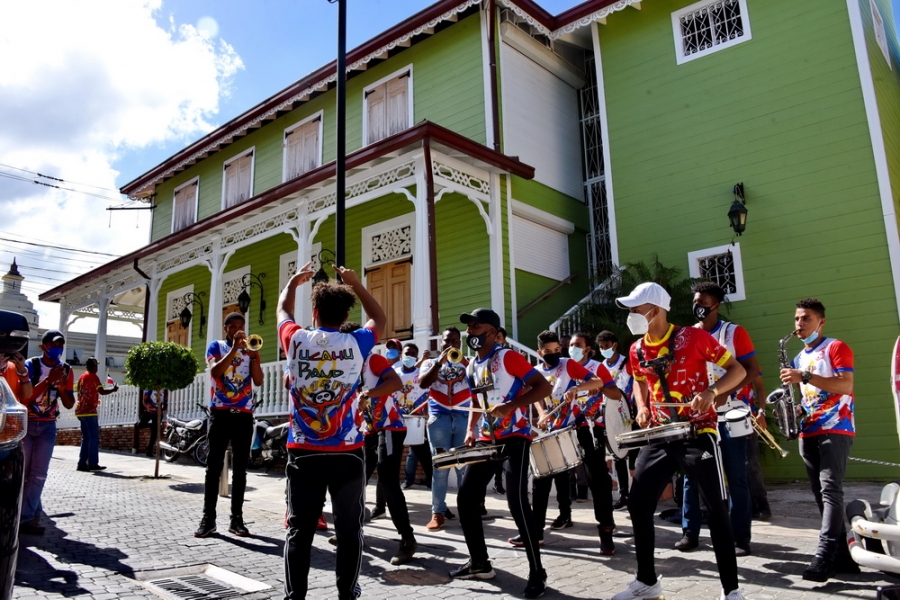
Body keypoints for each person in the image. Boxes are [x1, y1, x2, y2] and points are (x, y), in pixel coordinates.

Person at [604, 282, 746, 600]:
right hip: (660, 435)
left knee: (716, 509)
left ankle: (731, 590)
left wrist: (712, 391)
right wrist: (642, 407)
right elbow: (640, 382)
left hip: (697, 433)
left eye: (636, 309)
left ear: (655, 310)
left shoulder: (693, 337)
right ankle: (647, 582)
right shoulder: (637, 349)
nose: (631, 314)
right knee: (638, 504)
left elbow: (736, 370)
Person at [279, 262, 385, 600]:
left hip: (303, 452)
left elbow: (283, 309)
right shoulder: (357, 342)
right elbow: (379, 319)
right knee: (350, 530)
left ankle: (295, 597)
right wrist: (356, 284)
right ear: (345, 315)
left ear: (314, 312)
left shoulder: (296, 339)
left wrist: (292, 283)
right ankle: (346, 594)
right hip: (348, 453)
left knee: (300, 531)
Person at [449, 308, 552, 599]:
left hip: (515, 437)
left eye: (476, 326)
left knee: (517, 503)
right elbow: (476, 400)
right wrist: (471, 429)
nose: (470, 332)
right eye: (469, 327)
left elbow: (543, 386)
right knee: (466, 499)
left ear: (493, 332)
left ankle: (537, 572)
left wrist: (511, 406)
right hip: (486, 439)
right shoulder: (471, 365)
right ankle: (480, 563)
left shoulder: (507, 357)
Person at [679, 281, 761, 556]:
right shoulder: (687, 335)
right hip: (699, 416)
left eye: (702, 302)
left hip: (731, 413)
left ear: (715, 305)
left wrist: (726, 391)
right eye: (695, 301)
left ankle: (740, 538)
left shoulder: (734, 332)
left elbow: (752, 369)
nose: (697, 306)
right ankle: (690, 532)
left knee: (736, 476)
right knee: (692, 475)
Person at [780, 297, 859, 582]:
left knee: (830, 491)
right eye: (797, 318)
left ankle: (824, 556)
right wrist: (795, 410)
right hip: (809, 429)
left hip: (836, 426)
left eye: (806, 318)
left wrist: (805, 376)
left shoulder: (835, 347)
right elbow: (808, 397)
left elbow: (845, 385)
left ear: (821, 322)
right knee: (820, 493)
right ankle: (843, 558)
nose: (799, 323)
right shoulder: (798, 359)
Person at [527, 330, 621, 555]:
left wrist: (579, 389)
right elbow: (536, 394)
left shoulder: (572, 365)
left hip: (583, 428)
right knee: (541, 479)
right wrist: (542, 413)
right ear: (540, 352)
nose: (554, 353)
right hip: (555, 430)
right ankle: (536, 532)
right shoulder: (538, 371)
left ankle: (606, 531)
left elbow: (603, 385)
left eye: (556, 349)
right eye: (548, 351)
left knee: (597, 479)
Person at [194, 312, 264, 538]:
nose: (237, 330)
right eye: (233, 326)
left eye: (241, 326)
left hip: (244, 414)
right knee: (213, 467)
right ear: (226, 328)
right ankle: (208, 519)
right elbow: (215, 372)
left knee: (240, 469)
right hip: (220, 412)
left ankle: (237, 519)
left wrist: (253, 357)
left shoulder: (250, 349)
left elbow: (258, 380)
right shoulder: (216, 346)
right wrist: (234, 349)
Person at [353, 325, 415, 564]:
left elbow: (396, 383)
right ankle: (351, 530)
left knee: (388, 481)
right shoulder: (351, 365)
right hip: (369, 427)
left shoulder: (374, 360)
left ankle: (407, 539)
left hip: (390, 426)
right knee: (356, 478)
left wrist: (368, 394)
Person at [564, 330, 628, 554]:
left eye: (578, 345)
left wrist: (598, 387)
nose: (573, 348)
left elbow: (615, 394)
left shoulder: (597, 368)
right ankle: (552, 523)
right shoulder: (564, 368)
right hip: (567, 428)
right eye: (571, 345)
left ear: (587, 349)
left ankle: (606, 528)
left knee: (598, 479)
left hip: (593, 429)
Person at [21, 330, 75, 535]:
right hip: (27, 423)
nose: (57, 349)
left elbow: (69, 403)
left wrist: (60, 386)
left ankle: (26, 518)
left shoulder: (66, 370)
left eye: (60, 345)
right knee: (24, 472)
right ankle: (29, 512)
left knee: (39, 474)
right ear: (43, 347)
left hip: (48, 426)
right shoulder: (31, 366)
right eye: (53, 345)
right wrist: (47, 380)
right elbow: (24, 397)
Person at [419, 326, 471, 530]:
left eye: (455, 341)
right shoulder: (430, 363)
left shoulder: (469, 363)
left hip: (463, 417)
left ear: (460, 343)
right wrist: (439, 363)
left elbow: (478, 383)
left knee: (463, 468)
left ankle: (466, 512)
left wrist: (464, 362)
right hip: (439, 417)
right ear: (440, 343)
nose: (451, 345)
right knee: (440, 468)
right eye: (447, 341)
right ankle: (437, 513)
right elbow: (423, 383)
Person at [594, 330, 637, 510]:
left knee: (634, 456)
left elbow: (638, 383)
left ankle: (638, 495)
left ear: (615, 345)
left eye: (607, 346)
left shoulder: (627, 363)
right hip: (610, 415)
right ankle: (624, 495)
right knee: (617, 455)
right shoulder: (601, 367)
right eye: (601, 347)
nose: (604, 349)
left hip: (630, 413)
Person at [395, 343, 432, 490]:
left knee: (420, 451)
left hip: (415, 418)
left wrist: (424, 411)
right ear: (401, 355)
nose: (409, 356)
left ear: (417, 357)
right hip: (396, 418)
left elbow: (427, 394)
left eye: (413, 354)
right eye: (407, 353)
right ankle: (401, 481)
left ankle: (431, 479)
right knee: (395, 453)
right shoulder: (394, 373)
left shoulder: (420, 374)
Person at [74, 357, 118, 472]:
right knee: (94, 438)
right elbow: (102, 391)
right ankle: (93, 463)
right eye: (96, 366)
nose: (97, 368)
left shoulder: (82, 377)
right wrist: (113, 390)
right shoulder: (93, 377)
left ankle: (82, 464)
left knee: (86, 438)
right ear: (94, 367)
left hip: (80, 411)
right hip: (89, 412)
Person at [136, 389, 167, 457]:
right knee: (140, 425)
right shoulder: (150, 389)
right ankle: (151, 426)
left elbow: (165, 403)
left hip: (158, 414)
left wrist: (162, 409)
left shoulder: (165, 391)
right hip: (148, 412)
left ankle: (149, 452)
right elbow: (144, 401)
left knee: (154, 434)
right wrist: (147, 407)